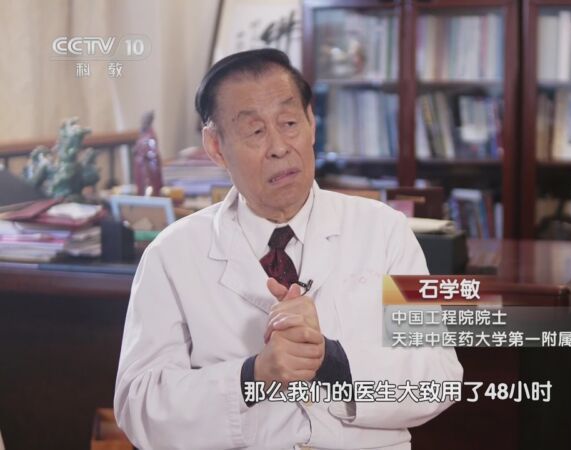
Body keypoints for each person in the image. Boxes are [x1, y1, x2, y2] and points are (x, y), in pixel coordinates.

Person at [113, 48, 462, 450]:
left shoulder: (384, 231)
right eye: (255, 131)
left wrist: (332, 362)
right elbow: (139, 406)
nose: (279, 147)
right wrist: (252, 376)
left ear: (311, 122)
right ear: (216, 148)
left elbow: (439, 378)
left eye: (290, 123)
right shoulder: (172, 255)